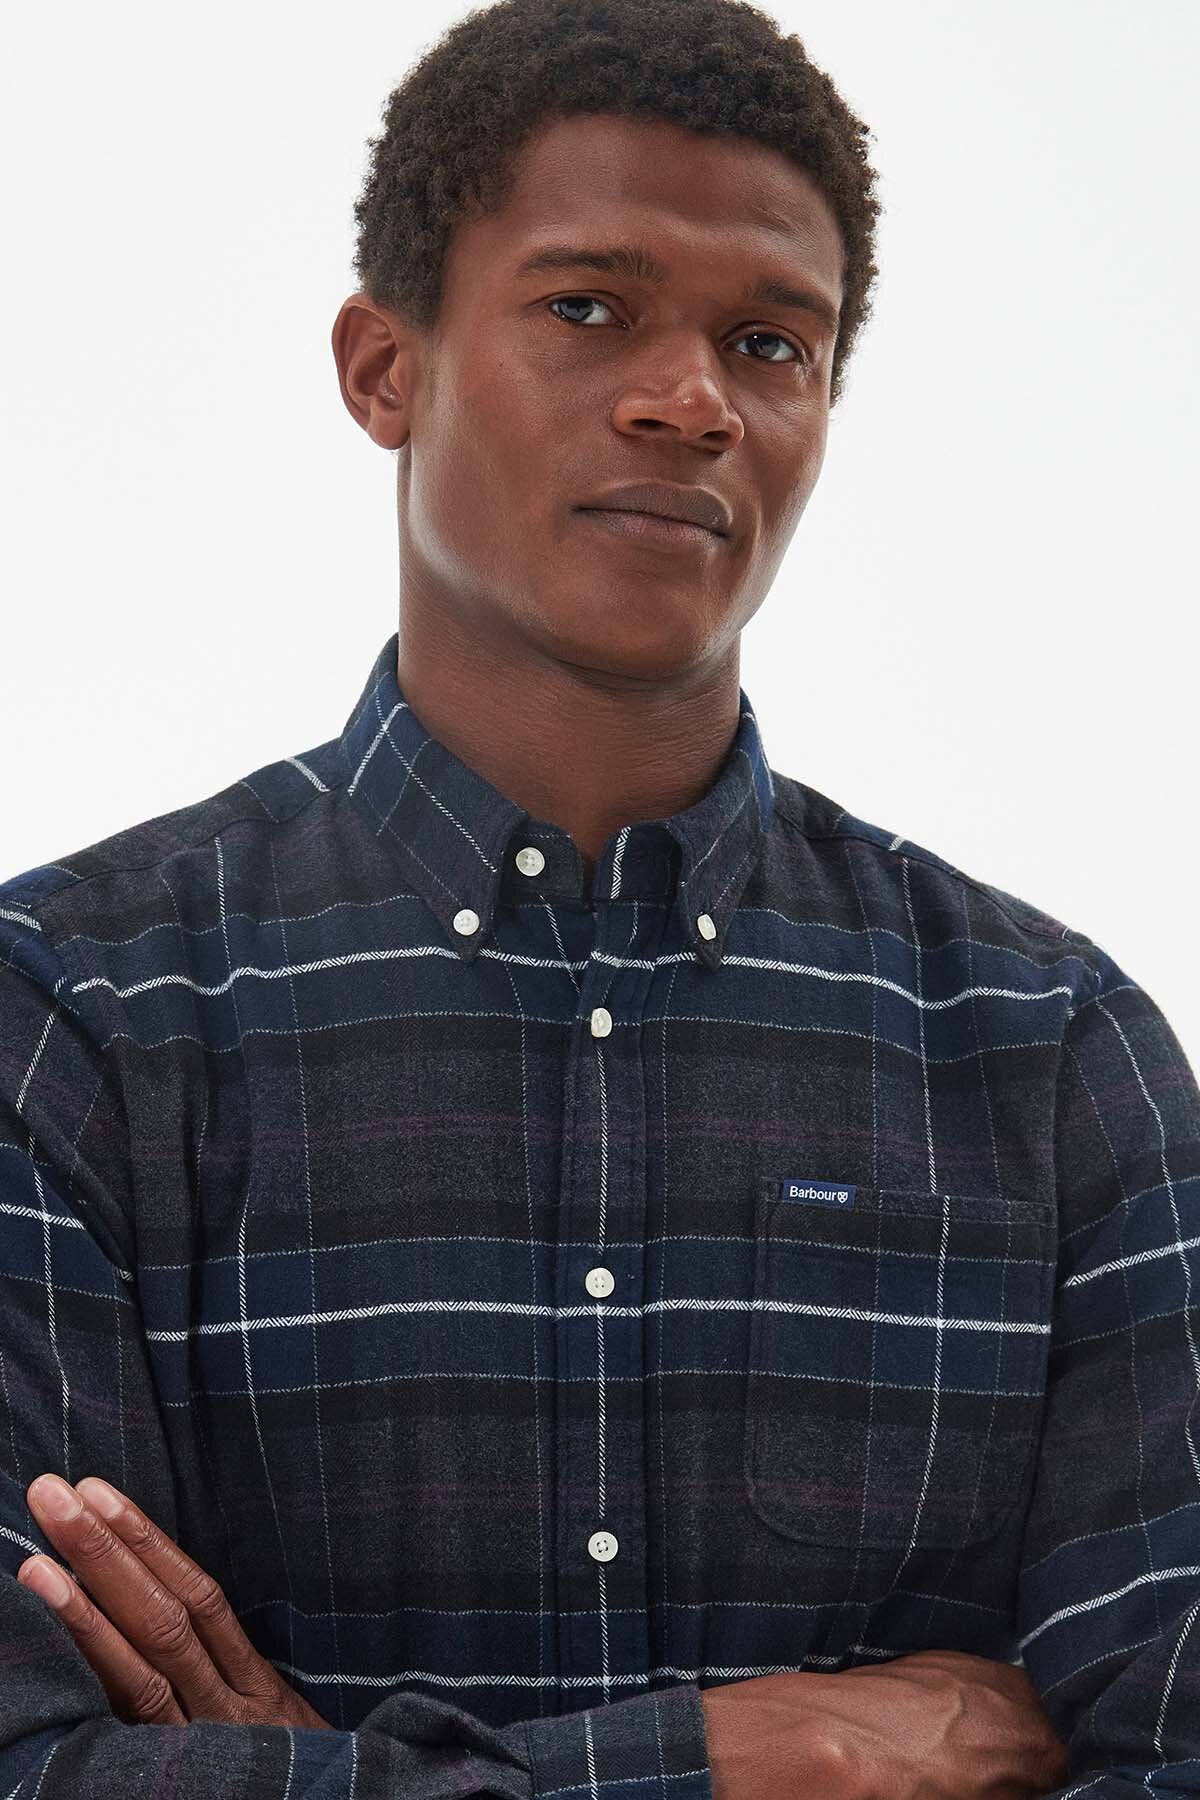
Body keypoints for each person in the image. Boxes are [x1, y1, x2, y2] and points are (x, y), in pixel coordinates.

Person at [1, 0, 1196, 1793]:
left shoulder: (1048, 1050)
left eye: (771, 343)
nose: (690, 400)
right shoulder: (72, 1020)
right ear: (383, 368)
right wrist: (753, 1760)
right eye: (588, 309)